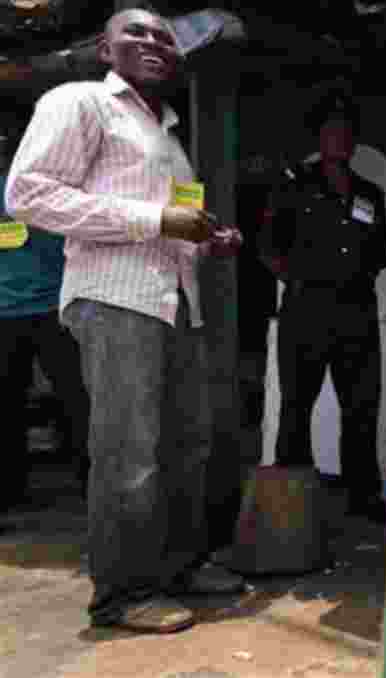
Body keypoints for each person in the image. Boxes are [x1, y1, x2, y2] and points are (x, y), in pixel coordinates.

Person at [4, 8, 245, 633]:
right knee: (128, 452)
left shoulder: (169, 134)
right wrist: (154, 221)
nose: (153, 42)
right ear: (105, 50)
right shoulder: (79, 101)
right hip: (115, 298)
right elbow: (28, 194)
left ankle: (181, 568)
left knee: (187, 444)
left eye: (164, 36)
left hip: (176, 299)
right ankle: (121, 594)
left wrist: (206, 239)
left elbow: (178, 219)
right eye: (135, 33)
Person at [258, 88, 386, 524]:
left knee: (362, 406)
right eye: (333, 130)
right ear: (319, 136)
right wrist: (298, 279)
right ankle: (289, 499)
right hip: (306, 310)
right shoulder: (294, 181)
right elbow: (268, 246)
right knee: (296, 406)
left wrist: (357, 278)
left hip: (357, 311)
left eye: (347, 131)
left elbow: (379, 252)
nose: (341, 138)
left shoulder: (369, 192)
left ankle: (363, 497)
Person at [0, 135, 90, 509]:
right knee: (17, 404)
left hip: (52, 307)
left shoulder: (54, 187)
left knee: (76, 400)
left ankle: (90, 484)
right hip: (17, 309)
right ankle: (11, 490)